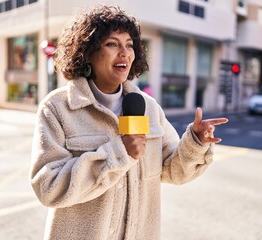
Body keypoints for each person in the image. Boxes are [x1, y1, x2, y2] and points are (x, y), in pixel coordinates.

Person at [30, 5, 228, 240]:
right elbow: (48, 187)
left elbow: (173, 171)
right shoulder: (58, 108)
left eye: (130, 45)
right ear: (88, 52)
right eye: (112, 44)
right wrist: (118, 154)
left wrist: (195, 142)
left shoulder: (149, 108)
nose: (124, 52)